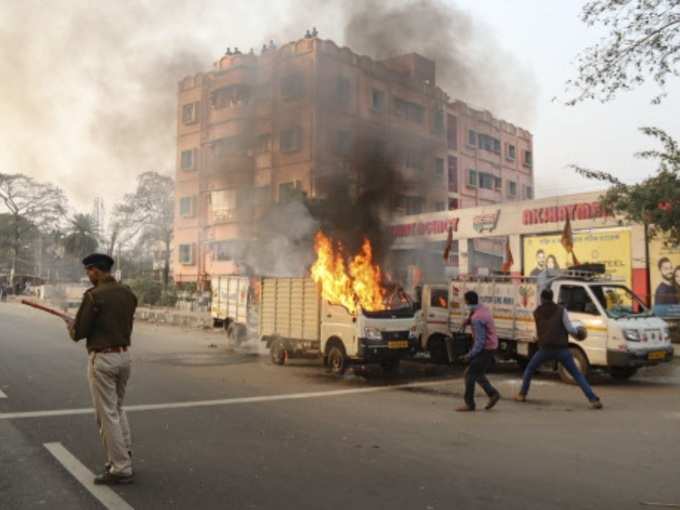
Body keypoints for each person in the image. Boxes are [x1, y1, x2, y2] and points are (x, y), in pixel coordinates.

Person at [67, 253, 138, 485]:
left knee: (106, 414)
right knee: (117, 409)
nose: (88, 276)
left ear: (96, 271)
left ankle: (120, 468)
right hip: (124, 356)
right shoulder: (128, 293)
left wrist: (71, 326)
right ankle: (124, 454)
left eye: (89, 271)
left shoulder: (93, 296)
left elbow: (79, 333)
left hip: (104, 360)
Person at [514, 289, 603, 409]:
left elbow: (539, 330)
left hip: (544, 349)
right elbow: (570, 329)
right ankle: (593, 399)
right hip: (561, 349)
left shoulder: (536, 312)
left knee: (529, 370)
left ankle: (522, 394)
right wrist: (579, 332)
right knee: (577, 374)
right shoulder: (561, 310)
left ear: (542, 299)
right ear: (552, 297)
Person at [456, 291, 501, 412]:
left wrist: (469, 355)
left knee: (469, 374)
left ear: (468, 302)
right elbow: (474, 316)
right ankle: (493, 394)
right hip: (491, 346)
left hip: (486, 348)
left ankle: (470, 404)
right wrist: (467, 321)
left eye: (465, 301)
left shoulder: (477, 318)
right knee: (478, 373)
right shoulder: (481, 309)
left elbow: (480, 342)